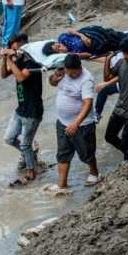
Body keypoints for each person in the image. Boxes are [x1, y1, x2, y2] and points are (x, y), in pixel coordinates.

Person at [49, 54, 101, 190]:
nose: (71, 75)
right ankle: (61, 185)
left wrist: (76, 123)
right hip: (62, 122)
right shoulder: (62, 72)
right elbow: (52, 82)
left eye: (74, 72)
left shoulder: (86, 79)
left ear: (80, 68)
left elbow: (87, 103)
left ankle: (94, 173)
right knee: (63, 154)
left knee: (87, 154)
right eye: (69, 72)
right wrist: (55, 78)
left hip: (82, 125)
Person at [0, 33, 43, 186]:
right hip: (21, 109)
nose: (14, 51)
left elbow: (20, 77)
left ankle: (31, 172)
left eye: (15, 49)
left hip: (33, 111)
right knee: (9, 138)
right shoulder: (17, 60)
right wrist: (5, 57)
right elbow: (4, 75)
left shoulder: (33, 63)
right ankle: (30, 154)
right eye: (12, 49)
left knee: (25, 144)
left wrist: (10, 58)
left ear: (23, 46)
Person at [42, 25, 125, 58]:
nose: (61, 48)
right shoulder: (71, 54)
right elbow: (88, 55)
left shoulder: (62, 38)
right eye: (58, 51)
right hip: (99, 44)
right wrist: (68, 54)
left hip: (90, 34)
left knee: (116, 35)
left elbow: (70, 30)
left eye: (58, 46)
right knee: (122, 42)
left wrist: (81, 35)